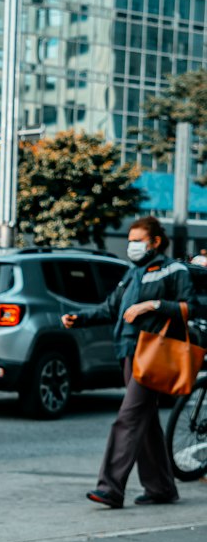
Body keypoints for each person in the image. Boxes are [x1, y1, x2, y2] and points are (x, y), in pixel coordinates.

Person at [63, 215, 193, 507]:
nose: (132, 246)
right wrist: (79, 318)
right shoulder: (131, 273)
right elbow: (111, 308)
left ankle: (110, 488)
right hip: (128, 351)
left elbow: (191, 307)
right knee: (144, 422)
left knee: (129, 417)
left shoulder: (174, 271)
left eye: (138, 240)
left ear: (155, 242)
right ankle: (161, 487)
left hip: (154, 353)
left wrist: (152, 305)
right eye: (130, 241)